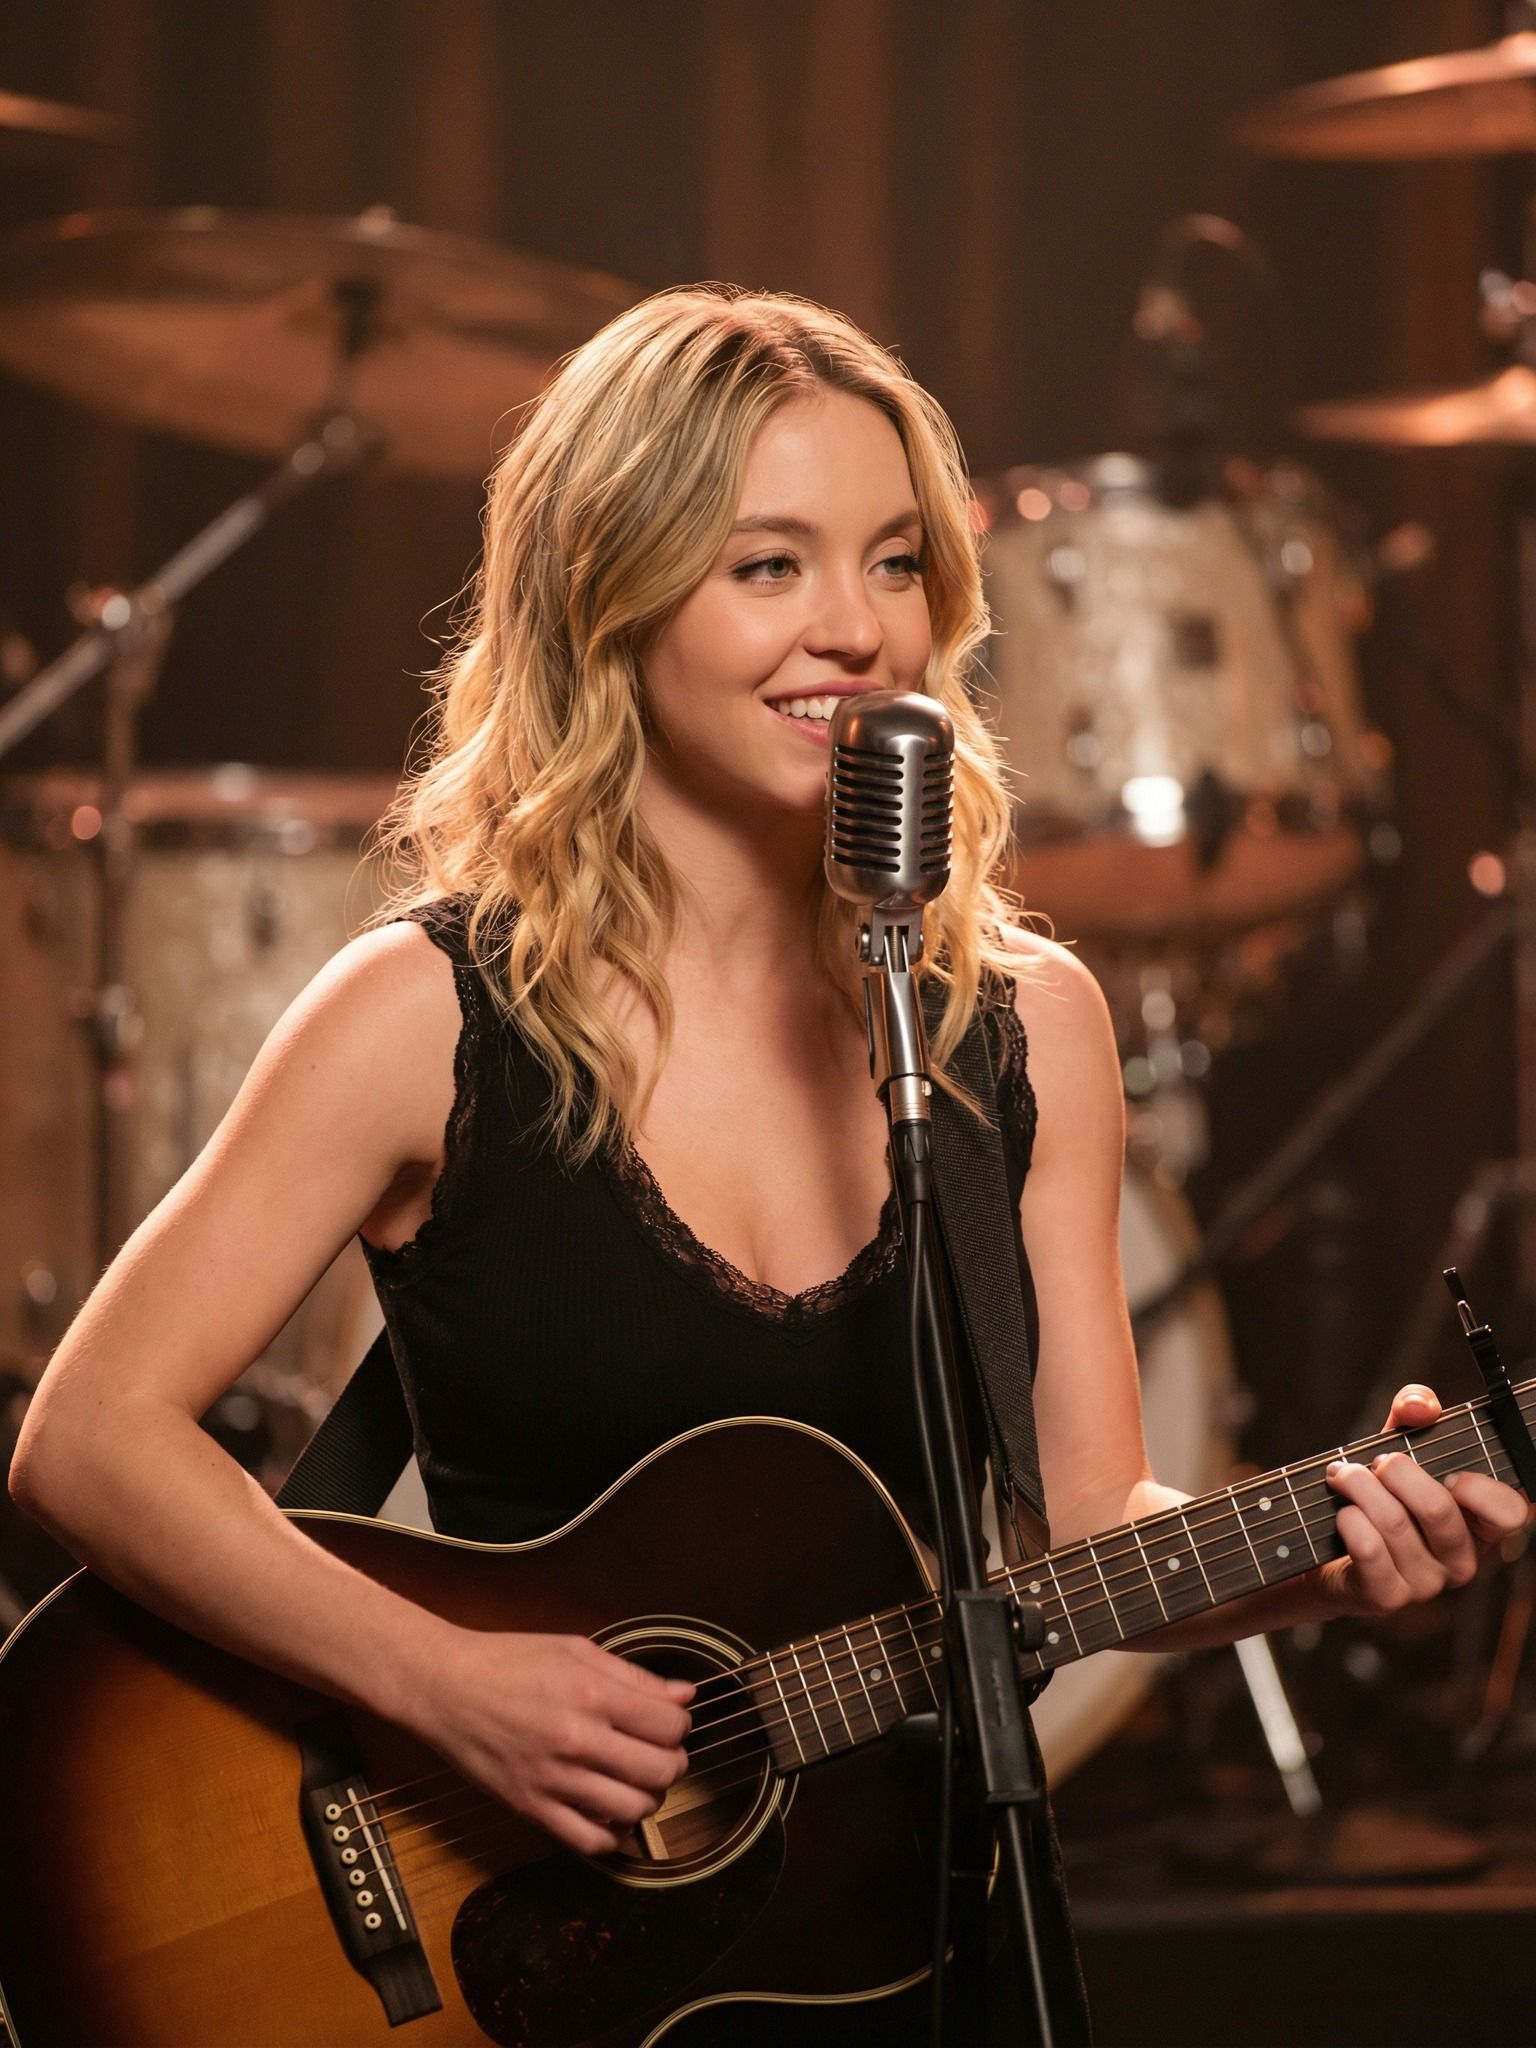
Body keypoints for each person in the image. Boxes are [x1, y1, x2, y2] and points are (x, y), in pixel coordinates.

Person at [11, 285, 1530, 2043]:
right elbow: (88, 1439)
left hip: (896, 1946)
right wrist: (444, 1684)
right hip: (526, 1965)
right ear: (611, 596)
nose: (856, 630)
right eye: (768, 566)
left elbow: (1085, 1530)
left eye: (895, 563)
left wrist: (1323, 1551)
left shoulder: (1023, 1026)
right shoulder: (423, 1015)